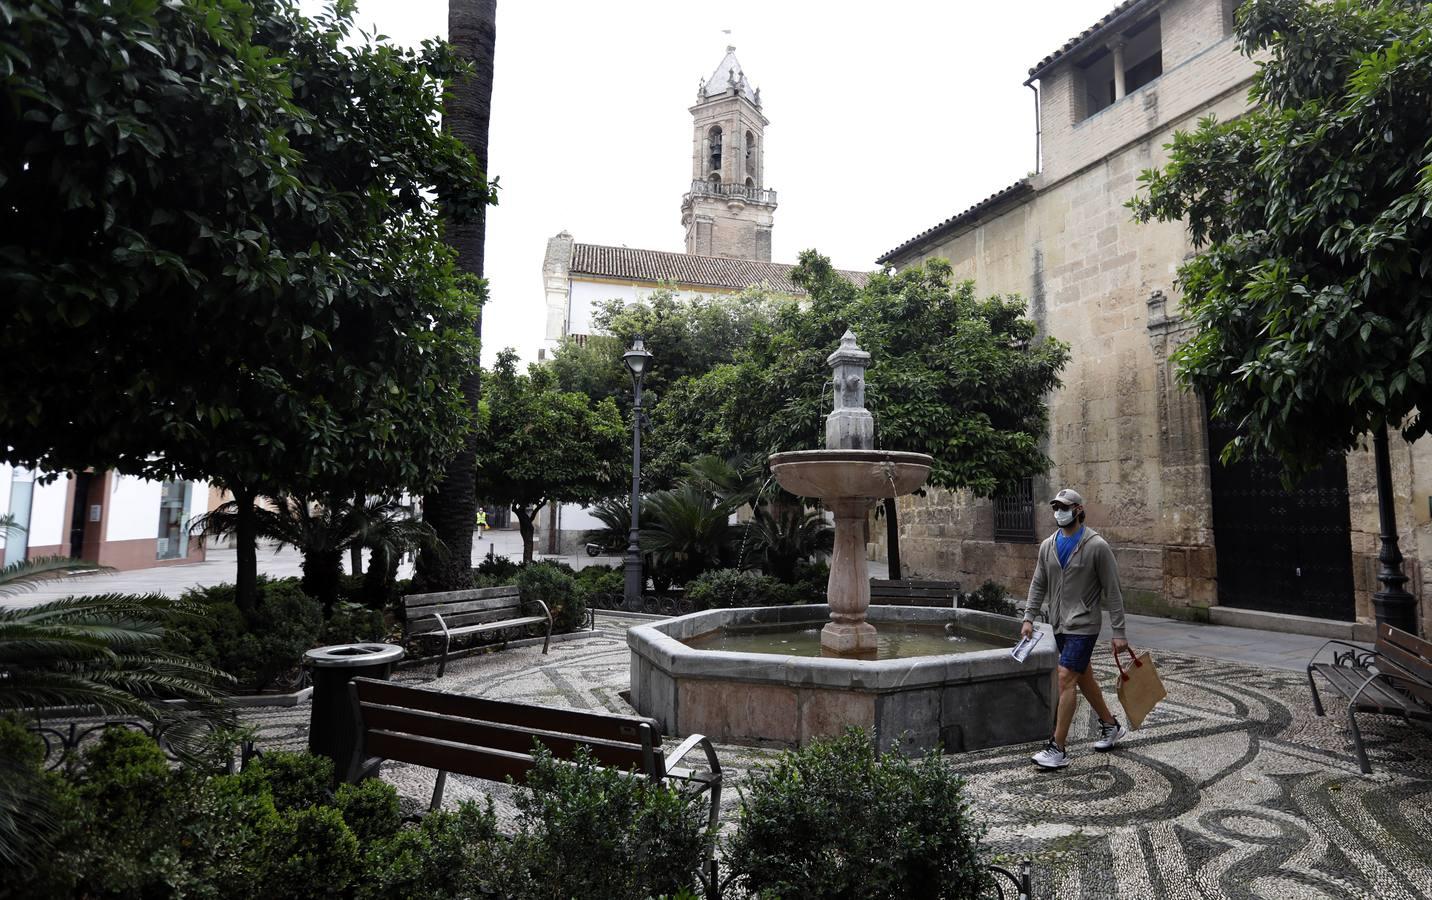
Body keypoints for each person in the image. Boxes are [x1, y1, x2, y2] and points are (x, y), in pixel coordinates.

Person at [1022, 488, 1130, 770]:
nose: (1059, 511)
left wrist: (1119, 632)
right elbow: (1038, 584)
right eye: (1056, 507)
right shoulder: (1048, 545)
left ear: (1079, 510)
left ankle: (1057, 747)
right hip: (1058, 623)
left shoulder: (1097, 546)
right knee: (1083, 678)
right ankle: (1110, 725)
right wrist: (1028, 617)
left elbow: (1113, 592)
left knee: (1065, 677)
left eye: (1065, 507)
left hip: (1084, 623)